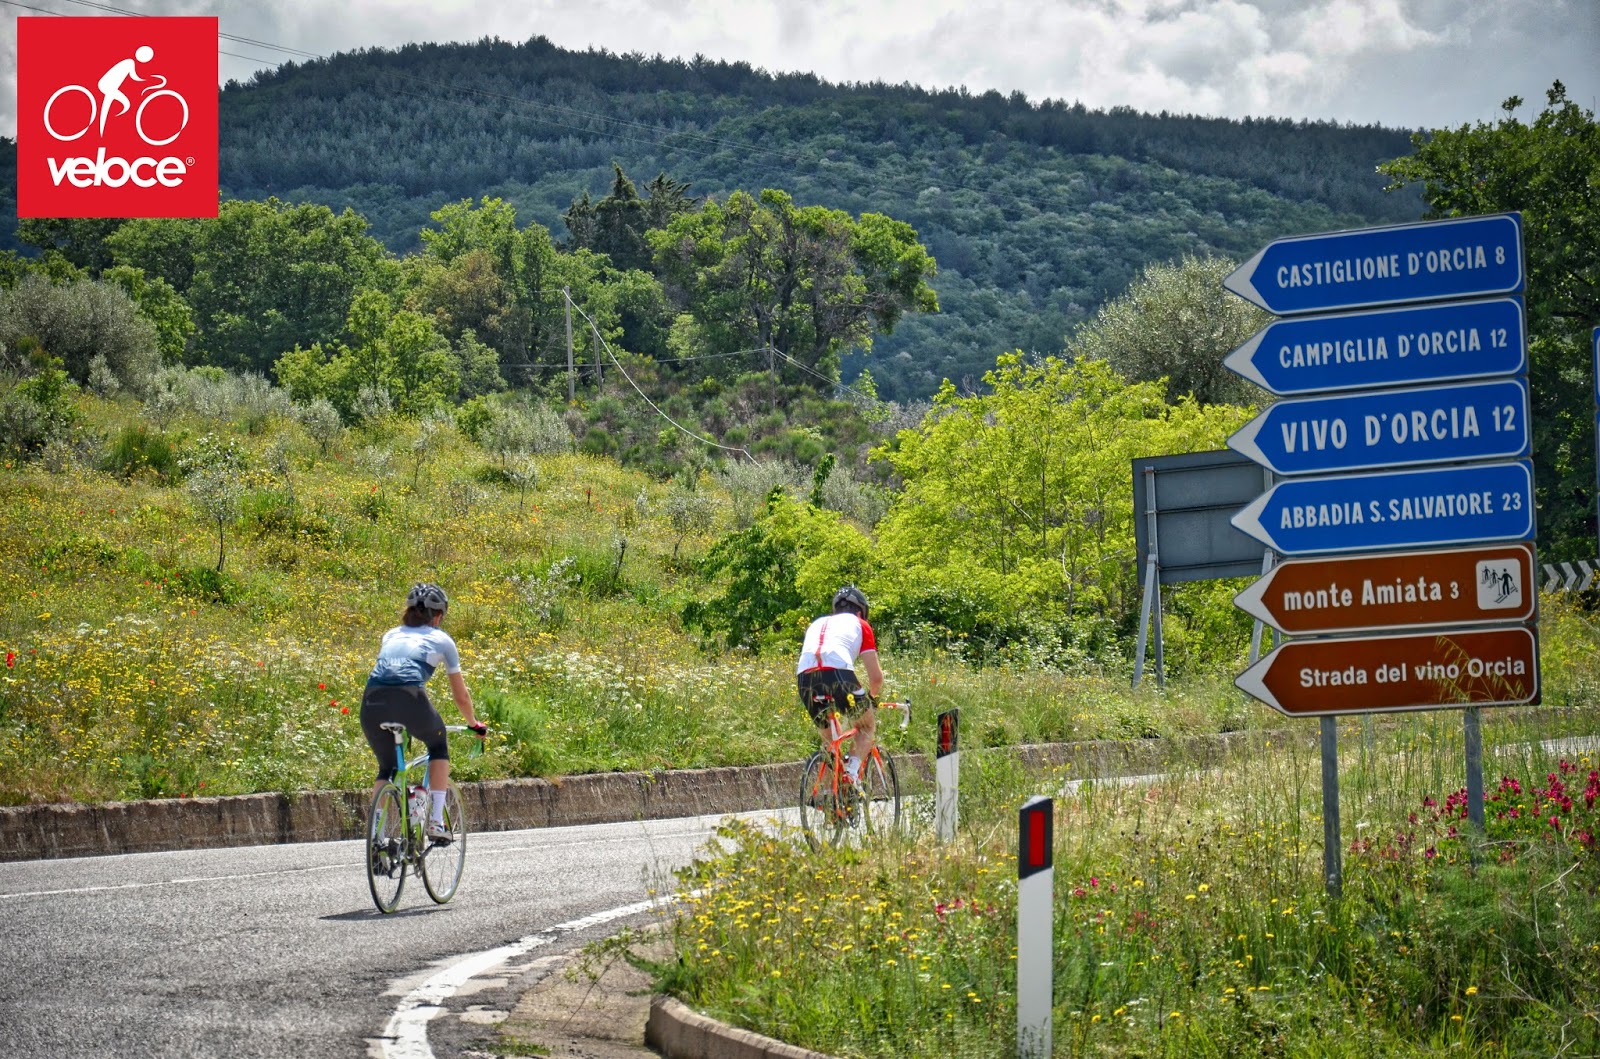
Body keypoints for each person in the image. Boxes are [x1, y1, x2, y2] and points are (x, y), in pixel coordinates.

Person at [360, 582, 486, 840]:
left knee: (387, 769)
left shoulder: (390, 635)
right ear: (438, 616)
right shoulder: (442, 640)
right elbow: (461, 696)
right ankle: (436, 822)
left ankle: (375, 837)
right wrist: (474, 723)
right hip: (410, 698)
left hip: (371, 701)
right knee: (438, 746)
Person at [795, 585, 884, 786]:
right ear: (860, 613)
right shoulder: (861, 624)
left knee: (830, 742)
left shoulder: (817, 623)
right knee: (866, 726)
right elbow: (876, 678)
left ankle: (828, 795)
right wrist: (873, 699)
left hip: (805, 678)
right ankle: (851, 774)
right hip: (837, 674)